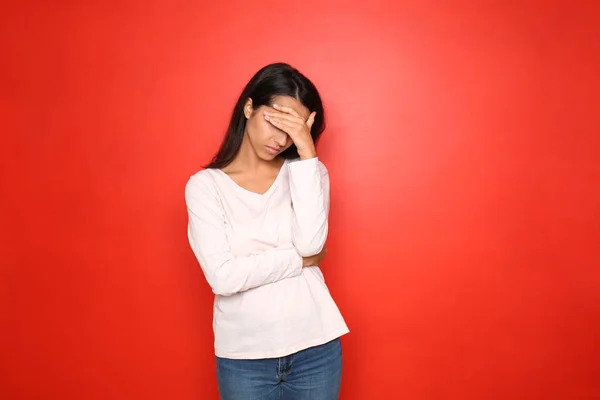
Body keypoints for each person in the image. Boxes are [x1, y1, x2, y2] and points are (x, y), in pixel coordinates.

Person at [184, 62, 349, 400]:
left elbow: (311, 243)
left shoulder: (309, 173)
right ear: (249, 107)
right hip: (245, 357)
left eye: (295, 129)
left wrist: (307, 153)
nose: (281, 138)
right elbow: (224, 278)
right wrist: (298, 261)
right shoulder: (205, 187)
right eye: (276, 120)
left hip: (315, 344)